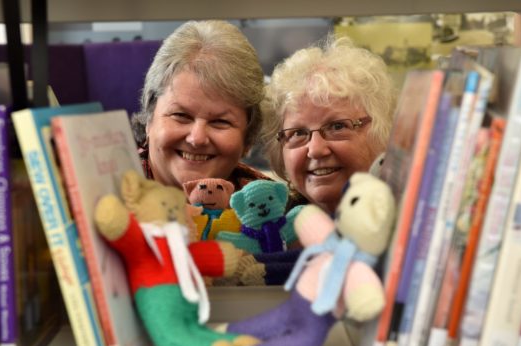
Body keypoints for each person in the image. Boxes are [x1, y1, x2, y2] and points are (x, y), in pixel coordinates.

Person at [261, 36, 397, 214]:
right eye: (298, 133)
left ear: (384, 133)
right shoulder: (268, 231)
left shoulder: (414, 225)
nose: (316, 150)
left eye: (337, 127)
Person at [131, 20, 269, 191]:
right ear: (149, 119)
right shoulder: (101, 196)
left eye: (221, 121)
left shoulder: (274, 206)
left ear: (247, 140)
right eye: (181, 116)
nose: (197, 139)